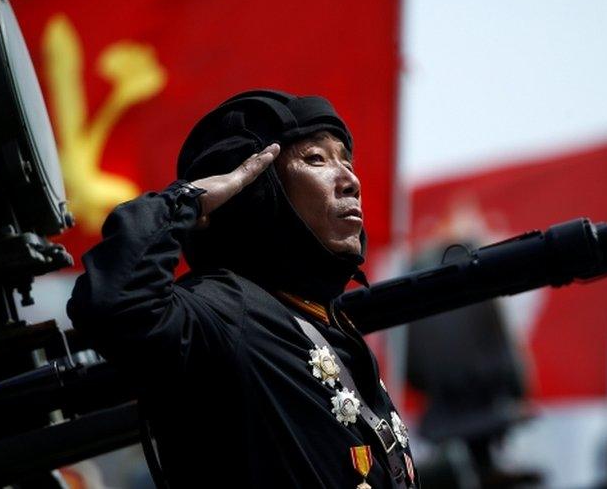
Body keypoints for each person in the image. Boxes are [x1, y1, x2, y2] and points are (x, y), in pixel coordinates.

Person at [66, 90, 417, 488]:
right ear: (260, 188)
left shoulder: (324, 320)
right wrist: (188, 199)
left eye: (346, 161)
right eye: (316, 159)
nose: (350, 180)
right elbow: (114, 302)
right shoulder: (227, 309)